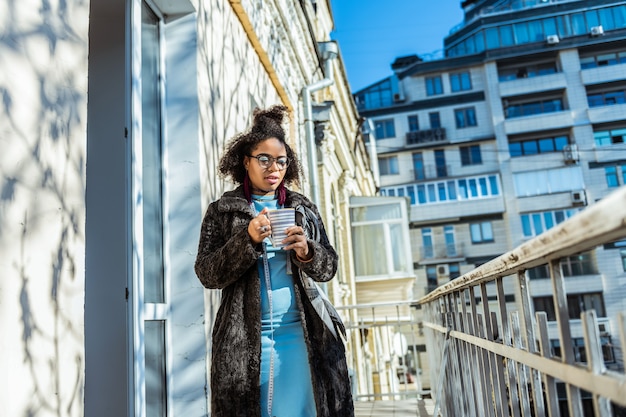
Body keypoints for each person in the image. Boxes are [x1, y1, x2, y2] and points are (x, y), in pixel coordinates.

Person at [194, 105, 354, 417]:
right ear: (246, 161)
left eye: (281, 161)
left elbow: (329, 266)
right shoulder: (223, 211)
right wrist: (246, 239)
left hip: (300, 335)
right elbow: (207, 274)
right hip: (244, 341)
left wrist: (307, 251)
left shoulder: (302, 208)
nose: (273, 168)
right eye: (264, 159)